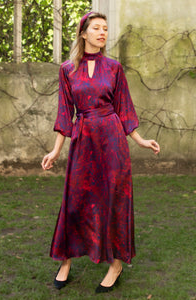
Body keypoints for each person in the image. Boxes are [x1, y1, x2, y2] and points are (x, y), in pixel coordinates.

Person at [41, 11, 160, 293]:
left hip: (112, 141)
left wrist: (140, 140)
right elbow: (63, 113)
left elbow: (124, 109)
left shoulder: (115, 68)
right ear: (84, 33)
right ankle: (65, 261)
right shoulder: (67, 69)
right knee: (74, 200)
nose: (102, 33)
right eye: (96, 28)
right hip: (83, 141)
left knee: (115, 200)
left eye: (105, 28)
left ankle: (116, 264)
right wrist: (56, 150)